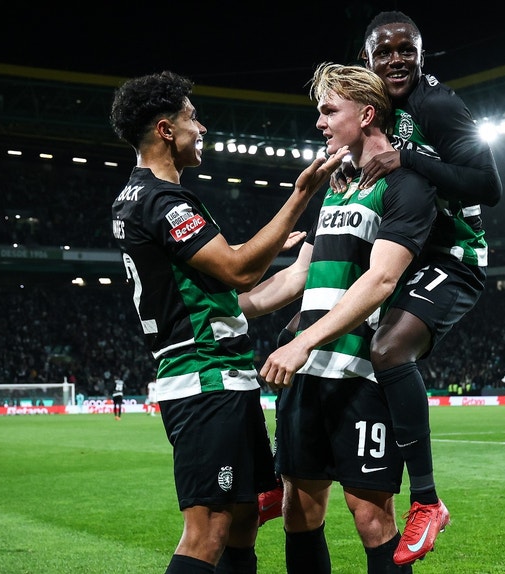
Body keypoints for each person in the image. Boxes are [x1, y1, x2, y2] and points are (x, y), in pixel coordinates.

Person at [109, 70, 347, 574]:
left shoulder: (137, 198)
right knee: (209, 531)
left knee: (242, 519)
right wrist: (301, 194)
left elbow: (231, 291)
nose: (202, 128)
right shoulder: (163, 201)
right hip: (204, 378)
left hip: (221, 376)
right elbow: (239, 270)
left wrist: (303, 247)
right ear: (166, 130)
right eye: (193, 118)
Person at [307, 10, 502, 565]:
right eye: (384, 52)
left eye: (406, 51)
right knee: (317, 324)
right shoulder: (379, 107)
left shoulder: (437, 105)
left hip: (454, 255)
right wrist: (349, 163)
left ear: (421, 53)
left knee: (389, 348)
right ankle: (294, 470)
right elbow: (363, 139)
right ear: (368, 58)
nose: (396, 60)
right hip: (408, 249)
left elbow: (489, 185)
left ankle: (427, 501)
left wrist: (407, 157)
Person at [239, 61, 437, 574]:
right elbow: (299, 276)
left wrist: (302, 341)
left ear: (366, 114)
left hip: (361, 374)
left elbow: (382, 280)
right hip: (307, 376)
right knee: (299, 510)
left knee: (370, 515)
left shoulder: (404, 185)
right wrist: (226, 306)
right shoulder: (335, 186)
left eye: (329, 111)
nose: (320, 122)